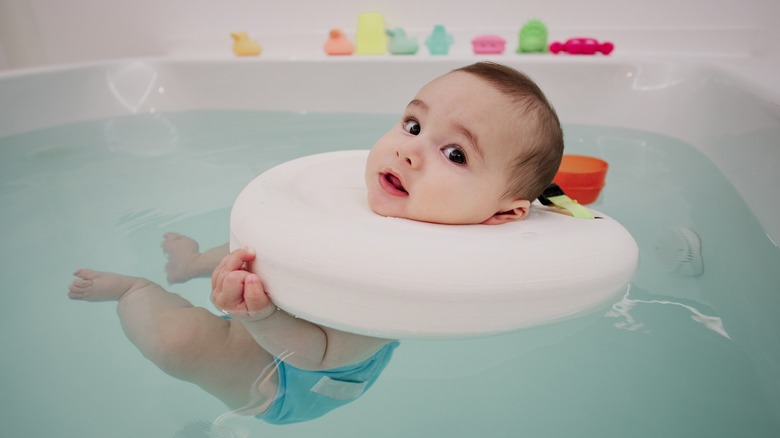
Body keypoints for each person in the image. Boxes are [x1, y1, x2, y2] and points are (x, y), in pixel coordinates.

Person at [68, 62, 563, 425]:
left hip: (287, 375)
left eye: (455, 153)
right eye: (413, 125)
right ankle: (195, 264)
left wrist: (258, 316)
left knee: (179, 344)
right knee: (267, 242)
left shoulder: (413, 273)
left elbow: (322, 353)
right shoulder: (388, 193)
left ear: (503, 211)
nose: (408, 150)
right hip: (283, 325)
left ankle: (135, 290)